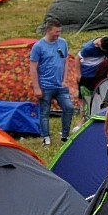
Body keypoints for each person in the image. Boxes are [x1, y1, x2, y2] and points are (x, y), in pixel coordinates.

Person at [29, 18, 72, 146]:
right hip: (45, 85)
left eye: (59, 32)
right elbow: (33, 67)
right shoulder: (38, 47)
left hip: (60, 85)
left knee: (68, 107)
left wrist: (65, 80)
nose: (58, 34)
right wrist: (36, 87)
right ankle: (46, 137)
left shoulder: (62, 43)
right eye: (56, 32)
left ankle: (65, 135)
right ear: (48, 30)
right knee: (44, 112)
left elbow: (65, 61)